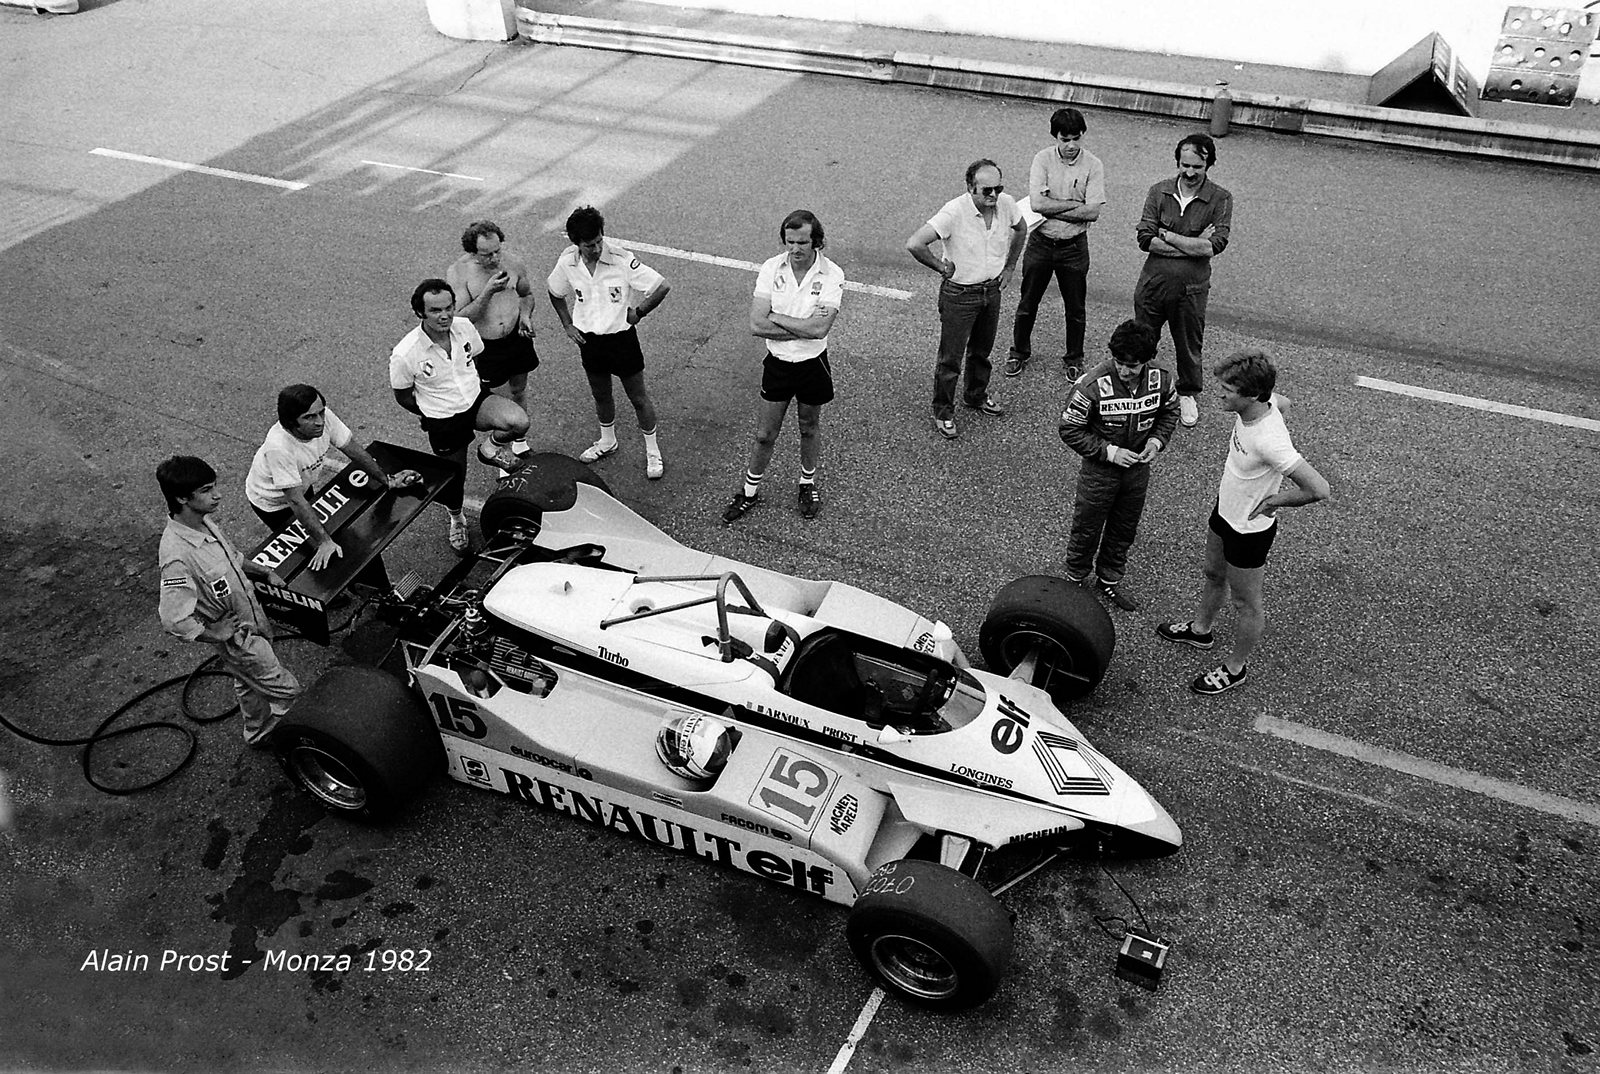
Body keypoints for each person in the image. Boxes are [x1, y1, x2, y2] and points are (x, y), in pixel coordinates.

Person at [1156, 349, 1329, 695]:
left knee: (1245, 604)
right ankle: (1201, 630)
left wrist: (1275, 500)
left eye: (1227, 390)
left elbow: (1319, 489)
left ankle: (1235, 668)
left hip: (1249, 530)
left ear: (1252, 395)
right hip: (1225, 510)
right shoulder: (1265, 403)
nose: (1219, 394)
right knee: (1212, 574)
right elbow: (1283, 402)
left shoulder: (1270, 441)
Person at [157, 455, 301, 745]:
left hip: (254, 622)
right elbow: (173, 618)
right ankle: (299, 745)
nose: (217, 495)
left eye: (214, 486)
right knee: (290, 693)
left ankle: (257, 732)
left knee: (248, 682)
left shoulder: (203, 522)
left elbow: (232, 558)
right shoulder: (176, 557)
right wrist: (214, 633)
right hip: (241, 642)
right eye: (207, 490)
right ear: (182, 498)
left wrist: (265, 572)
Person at [390, 278, 532, 552]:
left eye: (448, 307)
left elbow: (474, 358)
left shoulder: (465, 326)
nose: (444, 315)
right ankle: (456, 518)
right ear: (420, 312)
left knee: (519, 422)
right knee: (455, 479)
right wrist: (428, 412)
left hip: (475, 401)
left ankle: (489, 449)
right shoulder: (405, 353)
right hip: (444, 420)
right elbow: (403, 396)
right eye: (435, 310)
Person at [722, 210, 845, 524]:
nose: (795, 249)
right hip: (777, 364)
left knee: (809, 427)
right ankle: (749, 491)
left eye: (802, 242)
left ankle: (807, 483)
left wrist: (776, 317)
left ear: (816, 241)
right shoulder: (770, 268)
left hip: (813, 364)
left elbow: (819, 329)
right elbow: (756, 324)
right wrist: (801, 327)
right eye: (790, 242)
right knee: (765, 434)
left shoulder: (832, 274)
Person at [1058, 320, 1178, 611]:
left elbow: (1170, 411)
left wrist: (1156, 442)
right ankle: (1074, 580)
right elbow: (1069, 429)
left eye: (1132, 366)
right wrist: (1110, 452)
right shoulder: (1091, 384)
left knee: (1125, 528)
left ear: (1148, 359)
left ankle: (1109, 579)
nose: (1124, 370)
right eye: (1119, 362)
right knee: (1086, 527)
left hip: (1137, 470)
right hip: (1100, 471)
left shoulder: (1162, 378)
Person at [546, 206, 671, 479]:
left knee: (638, 398)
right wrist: (567, 324)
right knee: (601, 395)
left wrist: (639, 313)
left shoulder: (621, 260)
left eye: (599, 241)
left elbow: (660, 286)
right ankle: (607, 440)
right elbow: (555, 291)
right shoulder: (567, 262)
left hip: (621, 339)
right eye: (589, 245)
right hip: (590, 340)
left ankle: (652, 450)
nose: (596, 249)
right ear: (576, 243)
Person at [906, 159, 1027, 440]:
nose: (994, 195)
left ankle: (975, 394)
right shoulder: (953, 212)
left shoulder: (1007, 204)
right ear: (970, 187)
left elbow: (1021, 229)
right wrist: (940, 266)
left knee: (981, 351)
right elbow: (915, 243)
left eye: (998, 188)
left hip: (991, 290)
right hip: (960, 294)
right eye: (987, 190)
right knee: (951, 358)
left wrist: (1010, 266)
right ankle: (943, 411)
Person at [245, 384, 419, 570]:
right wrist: (324, 541)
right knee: (311, 552)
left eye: (320, 412)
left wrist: (386, 479)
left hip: (302, 485)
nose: (320, 421)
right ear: (290, 422)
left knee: (336, 538)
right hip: (274, 503)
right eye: (309, 417)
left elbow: (353, 449)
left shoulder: (324, 417)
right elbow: (295, 500)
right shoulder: (279, 448)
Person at [1133, 133, 1233, 429]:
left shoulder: (1221, 198)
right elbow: (1145, 239)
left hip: (1192, 290)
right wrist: (1192, 244)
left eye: (1197, 167)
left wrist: (1168, 235)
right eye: (1184, 165)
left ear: (1209, 165)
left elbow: (1214, 246)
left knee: (1189, 345)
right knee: (1143, 340)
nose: (1189, 173)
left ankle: (1187, 392)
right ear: (1177, 162)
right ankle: (1143, 388)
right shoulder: (1158, 191)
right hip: (1153, 284)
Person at [1006, 107, 1106, 381]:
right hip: (1041, 243)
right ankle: (1018, 352)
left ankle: (1074, 358)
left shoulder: (1093, 165)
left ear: (1082, 135)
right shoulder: (1042, 159)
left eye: (1076, 138)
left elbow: (1093, 212)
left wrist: (1054, 207)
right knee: (1028, 302)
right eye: (1065, 139)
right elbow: (1037, 204)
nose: (1071, 145)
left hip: (1074, 247)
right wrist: (1074, 205)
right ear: (1056, 137)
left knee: (1075, 308)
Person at [446, 220, 538, 453]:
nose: (495, 258)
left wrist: (525, 316)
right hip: (486, 345)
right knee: (502, 401)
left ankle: (519, 442)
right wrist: (487, 292)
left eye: (498, 251)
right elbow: (459, 318)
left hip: (516, 337)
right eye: (487, 255)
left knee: (519, 390)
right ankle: (500, 453)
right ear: (473, 253)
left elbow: (526, 295)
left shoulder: (513, 263)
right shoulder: (459, 272)